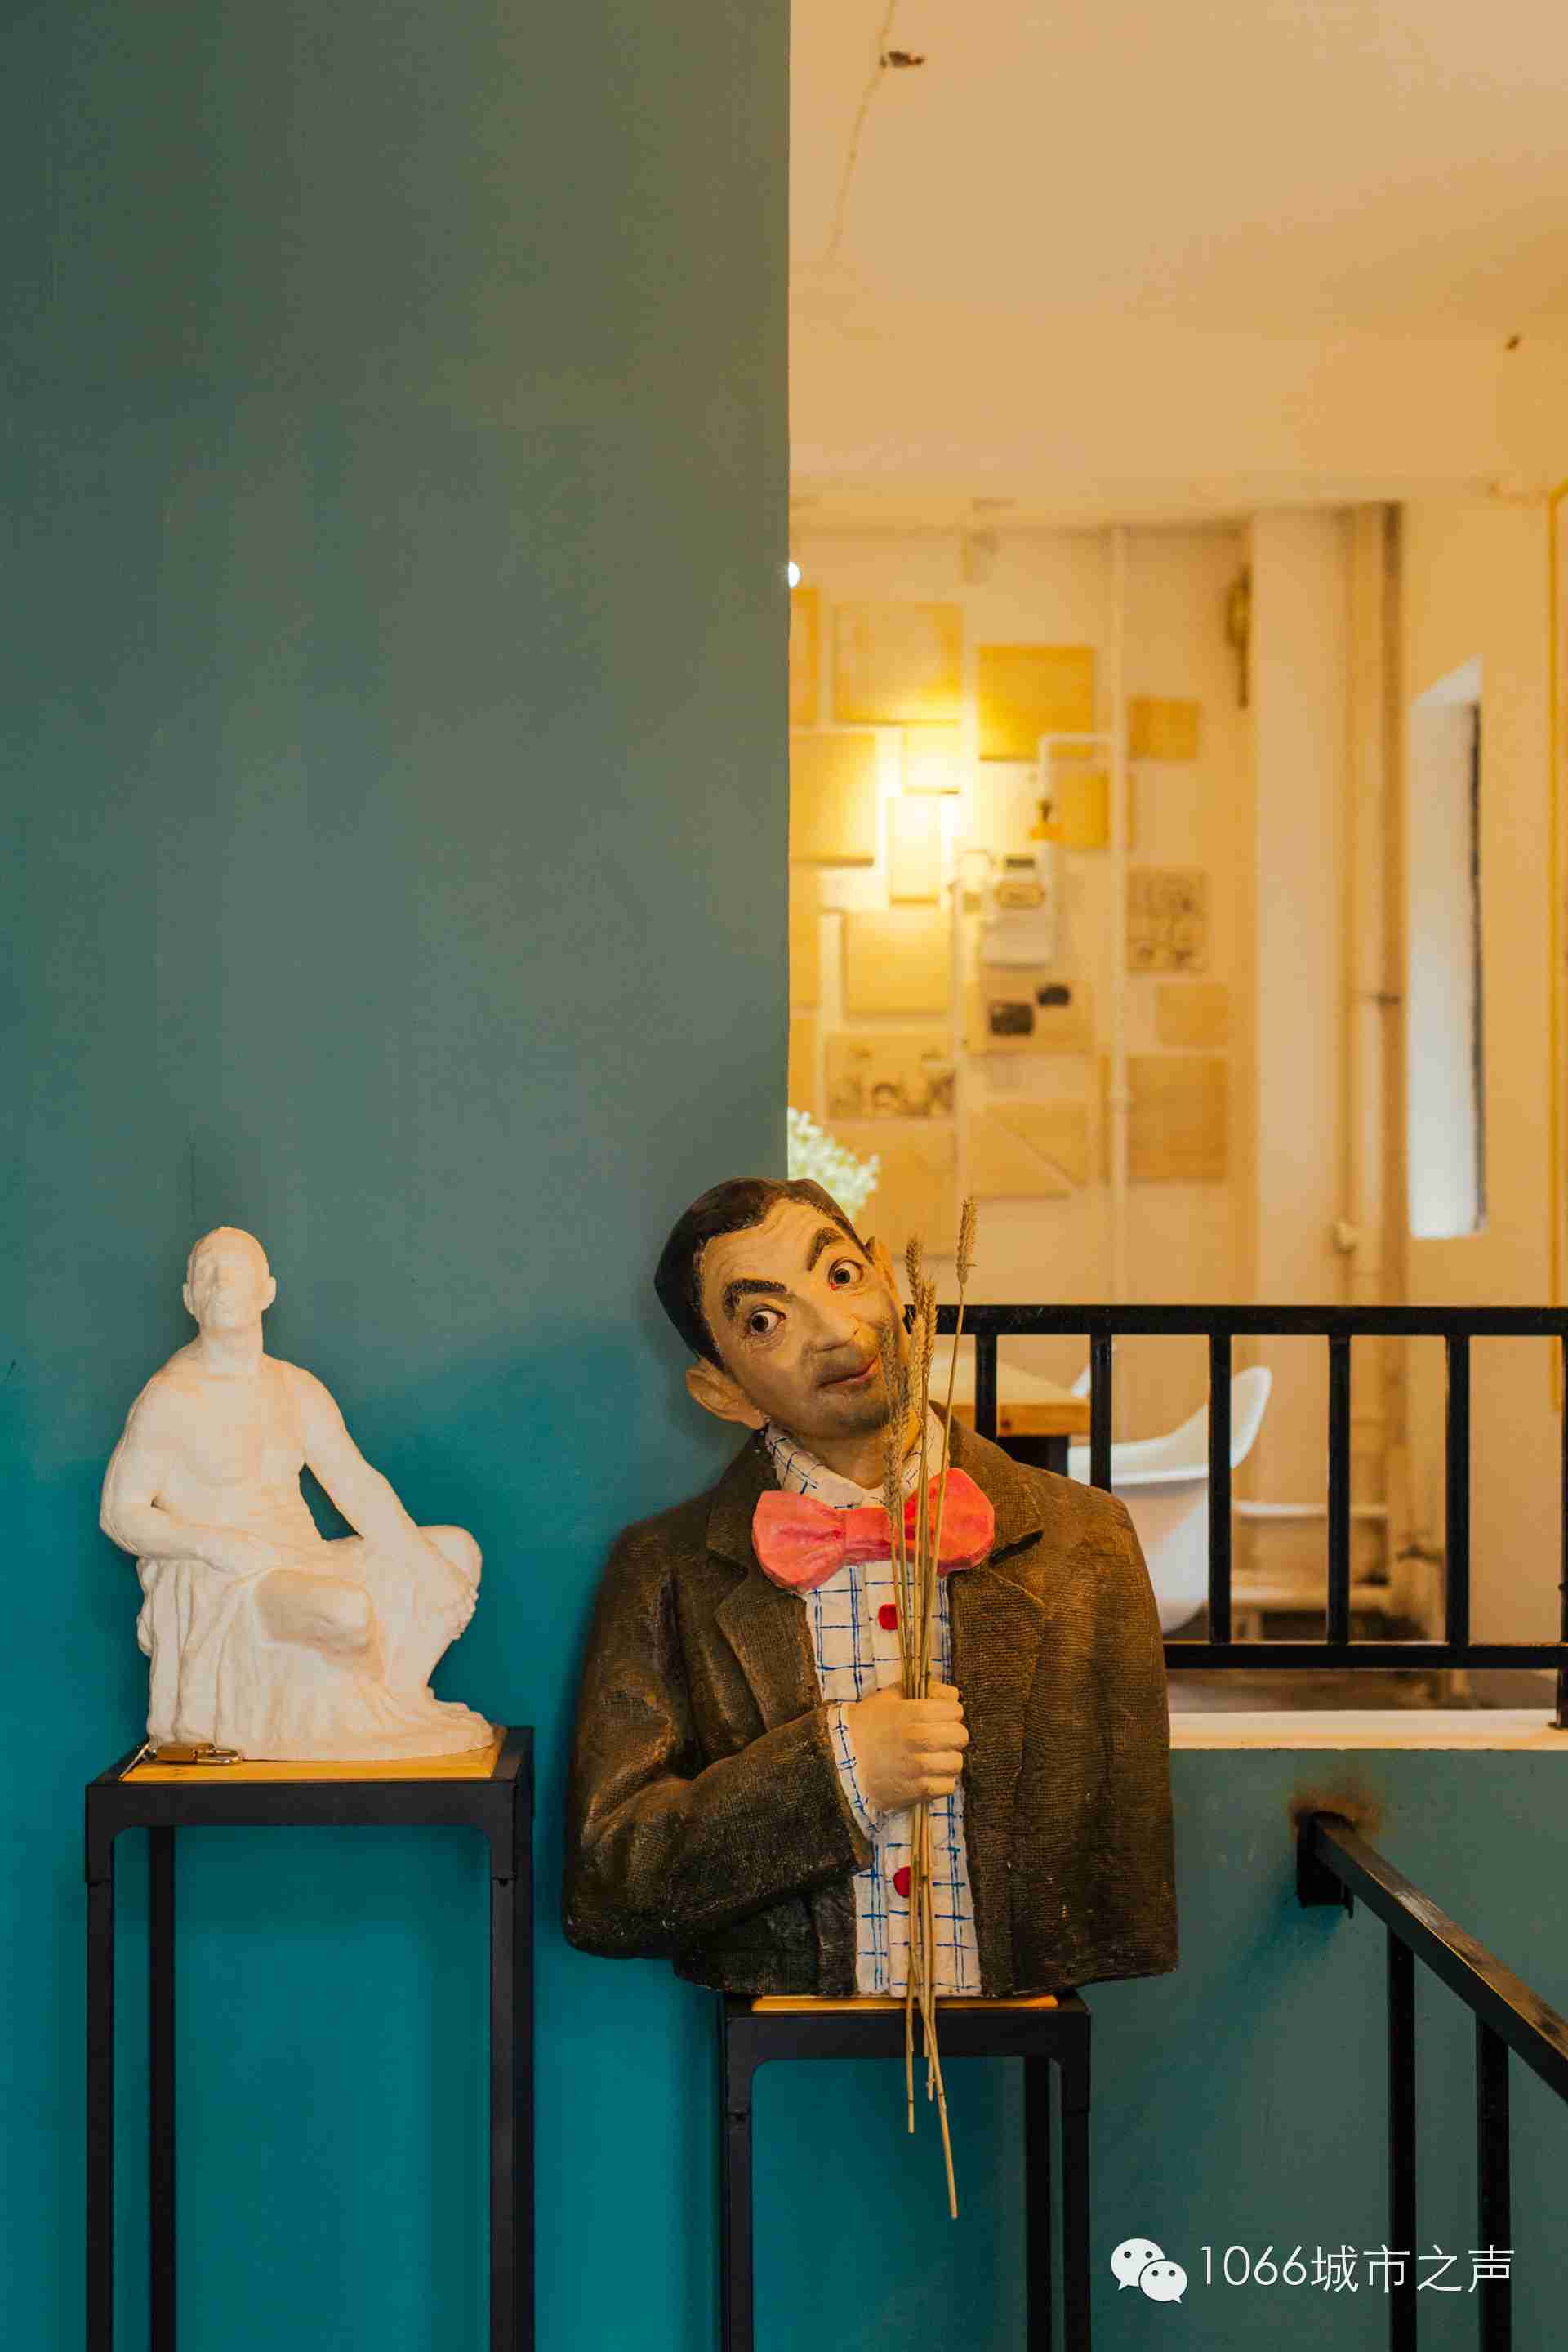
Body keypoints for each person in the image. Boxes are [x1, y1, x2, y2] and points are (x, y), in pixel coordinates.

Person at [563, 1177, 1178, 1998]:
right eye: (764, 1320)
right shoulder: (662, 1570)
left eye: (842, 1275)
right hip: (785, 2027)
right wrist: (842, 1771)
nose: (836, 1329)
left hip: (1024, 2017)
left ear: (890, 1277)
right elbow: (609, 1888)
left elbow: (1122, 1856)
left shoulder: (1087, 1544)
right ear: (723, 1391)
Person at [101, 1227, 492, 1760]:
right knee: (346, 1612)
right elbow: (120, 1513)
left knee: (455, 1553)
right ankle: (374, 1716)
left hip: (305, 1560)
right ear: (189, 1298)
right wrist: (215, 1545)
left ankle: (398, 1701)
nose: (222, 1284)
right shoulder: (171, 1395)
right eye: (208, 1274)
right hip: (238, 1584)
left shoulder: (295, 1388)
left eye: (236, 1271)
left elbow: (356, 1485)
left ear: (268, 1290)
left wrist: (426, 1565)